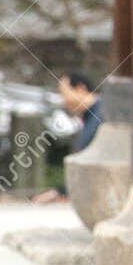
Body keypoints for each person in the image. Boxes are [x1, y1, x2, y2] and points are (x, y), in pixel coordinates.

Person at [32, 72, 102, 204]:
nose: (63, 101)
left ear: (80, 89)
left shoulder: (102, 115)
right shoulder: (90, 118)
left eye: (64, 94)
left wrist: (64, 193)